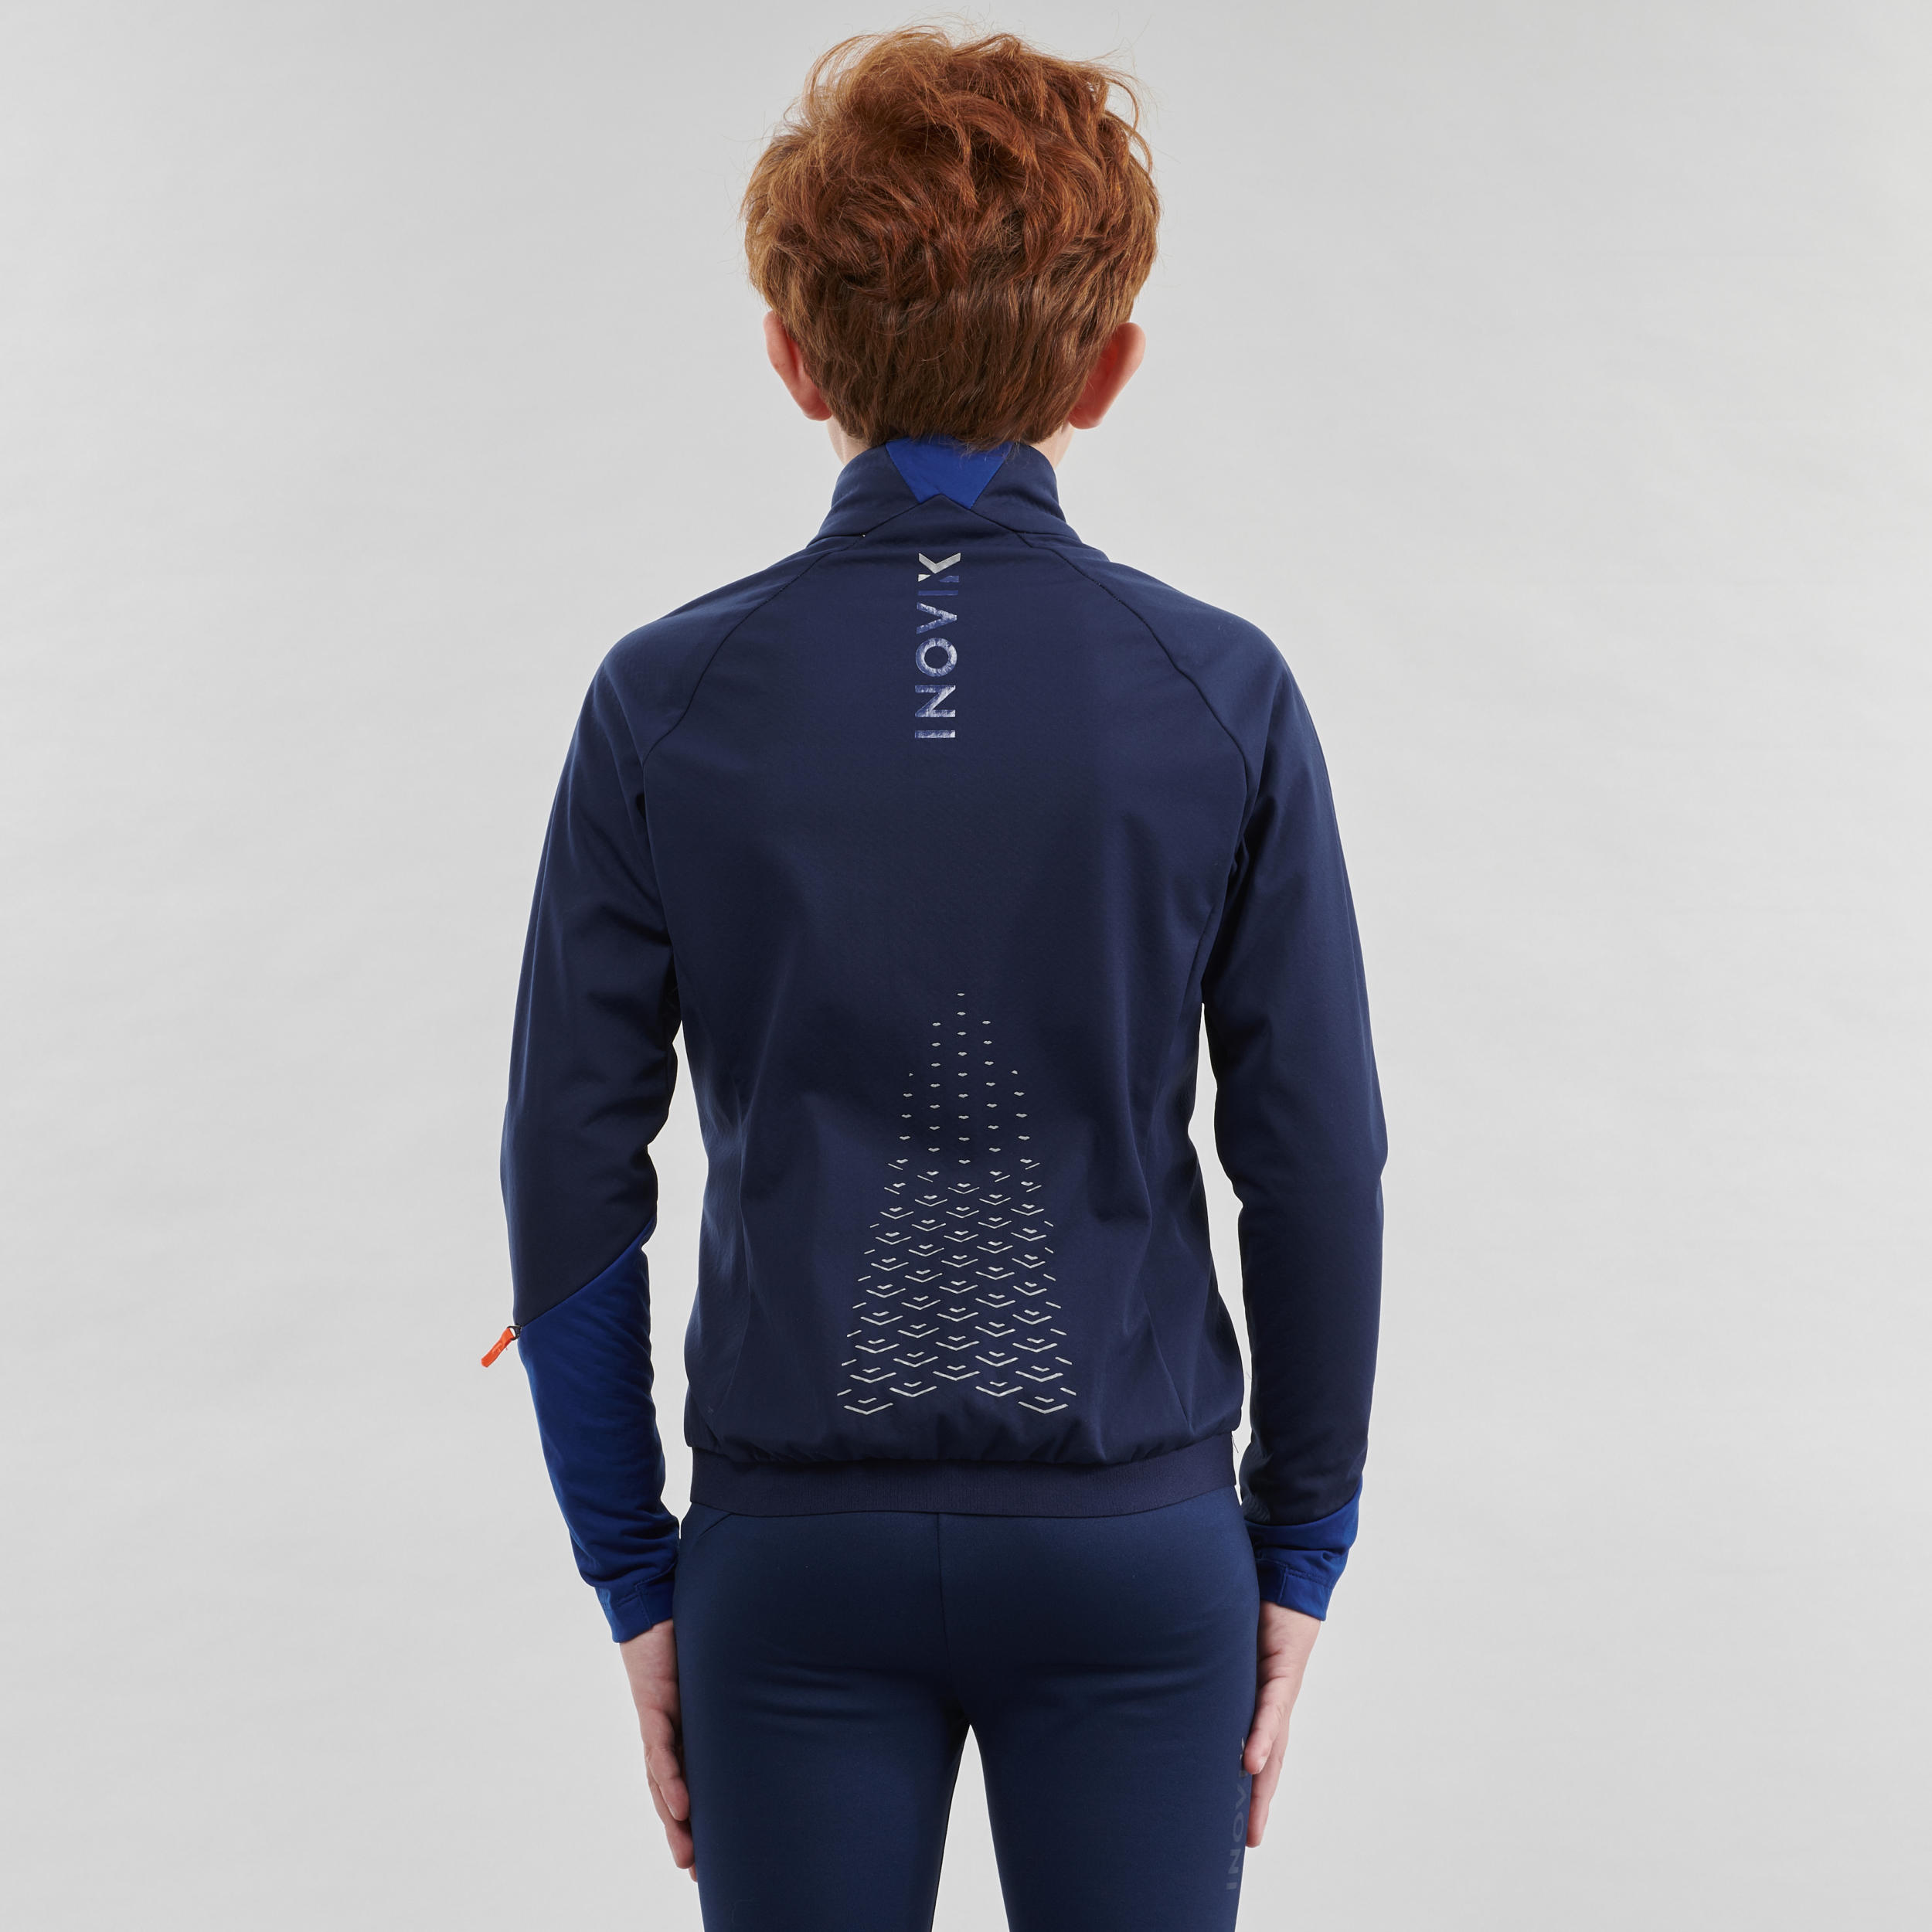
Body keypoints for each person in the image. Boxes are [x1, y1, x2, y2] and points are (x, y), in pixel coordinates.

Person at [489, 27, 1386, 1932]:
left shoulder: (664, 699)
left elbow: (566, 1167)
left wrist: (633, 1571)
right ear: (1107, 366)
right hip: (1132, 1543)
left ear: (790, 357)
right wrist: (1299, 1542)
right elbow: (1312, 1156)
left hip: (785, 1559)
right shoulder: (1217, 691)